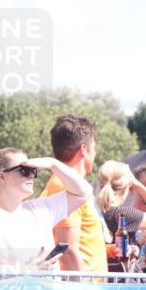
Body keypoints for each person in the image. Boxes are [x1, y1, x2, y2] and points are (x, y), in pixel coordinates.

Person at [0, 148, 92, 281]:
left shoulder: (40, 210)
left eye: (33, 170)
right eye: (24, 170)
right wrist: (28, 271)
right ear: (1, 177)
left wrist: (52, 164)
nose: (31, 175)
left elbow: (83, 192)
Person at [40, 115, 102, 272]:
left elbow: (80, 243)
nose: (94, 154)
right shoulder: (64, 186)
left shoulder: (64, 183)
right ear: (83, 150)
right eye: (93, 148)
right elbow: (67, 250)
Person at [94, 161, 146, 270]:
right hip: (118, 283)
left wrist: (136, 245)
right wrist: (138, 186)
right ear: (127, 188)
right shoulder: (123, 214)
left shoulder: (94, 210)